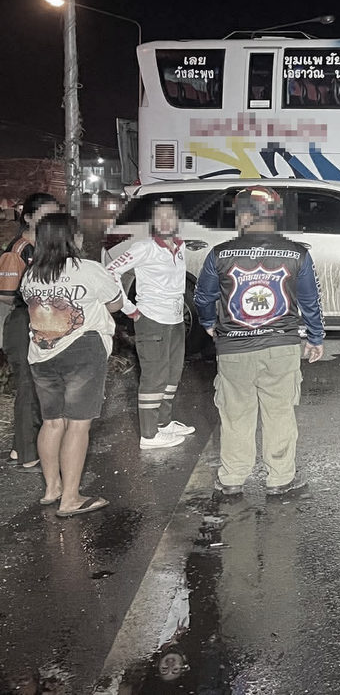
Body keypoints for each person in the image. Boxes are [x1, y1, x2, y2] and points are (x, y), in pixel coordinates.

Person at [193, 186, 324, 496]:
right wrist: (315, 336)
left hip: (234, 348)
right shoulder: (297, 253)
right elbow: (310, 301)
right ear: (275, 216)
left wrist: (209, 324)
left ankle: (232, 478)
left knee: (236, 414)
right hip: (281, 346)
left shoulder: (220, 253)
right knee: (280, 413)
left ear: (243, 217)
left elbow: (203, 297)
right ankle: (280, 479)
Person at [21, 213, 124, 517]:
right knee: (78, 424)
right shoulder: (88, 269)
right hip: (82, 350)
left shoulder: (31, 275)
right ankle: (70, 499)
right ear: (72, 238)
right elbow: (115, 303)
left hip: (42, 353)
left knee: (52, 422)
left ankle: (52, 488)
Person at [105, 197, 194, 450]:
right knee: (154, 377)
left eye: (170, 216)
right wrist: (128, 308)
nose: (164, 221)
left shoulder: (180, 246)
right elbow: (110, 271)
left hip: (175, 320)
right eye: (159, 217)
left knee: (172, 374)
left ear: (178, 221)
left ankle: (163, 423)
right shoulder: (144, 247)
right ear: (152, 222)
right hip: (152, 319)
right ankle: (149, 434)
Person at [0, 193, 62, 470]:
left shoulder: (46, 246)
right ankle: (28, 454)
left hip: (42, 320)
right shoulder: (18, 250)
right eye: (45, 214)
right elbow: (5, 295)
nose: (52, 219)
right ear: (28, 217)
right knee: (29, 385)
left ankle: (20, 447)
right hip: (23, 321)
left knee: (39, 385)